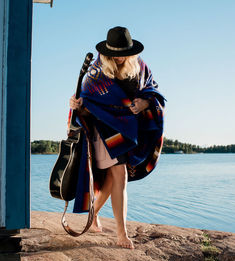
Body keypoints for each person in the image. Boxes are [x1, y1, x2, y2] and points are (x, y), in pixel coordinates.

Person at [69, 26, 165, 249]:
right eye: (116, 53)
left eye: (124, 52)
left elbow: (154, 91)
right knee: (119, 175)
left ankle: (93, 214)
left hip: (127, 128)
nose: (120, 57)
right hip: (103, 128)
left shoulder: (140, 66)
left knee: (113, 180)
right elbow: (85, 102)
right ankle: (122, 234)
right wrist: (76, 104)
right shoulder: (96, 71)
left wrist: (145, 103)